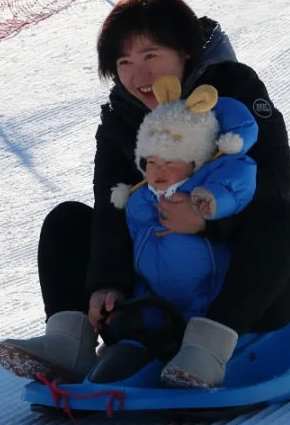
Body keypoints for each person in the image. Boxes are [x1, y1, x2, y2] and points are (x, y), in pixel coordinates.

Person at [0, 0, 290, 388]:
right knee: (68, 220)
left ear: (185, 52)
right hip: (157, 290)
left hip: (248, 287)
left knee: (280, 216)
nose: (138, 77)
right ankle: (68, 344)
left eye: (151, 57)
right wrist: (106, 284)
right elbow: (110, 201)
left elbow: (272, 180)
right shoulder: (122, 115)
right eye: (124, 62)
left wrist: (206, 222)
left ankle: (209, 347)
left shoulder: (233, 88)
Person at [102, 75, 258, 387]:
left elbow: (238, 180)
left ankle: (202, 352)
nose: (158, 171)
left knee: (199, 311)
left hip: (203, 295)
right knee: (143, 315)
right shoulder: (141, 197)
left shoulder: (203, 184)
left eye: (171, 162)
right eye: (152, 162)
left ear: (194, 159)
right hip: (155, 292)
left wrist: (211, 204)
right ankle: (133, 347)